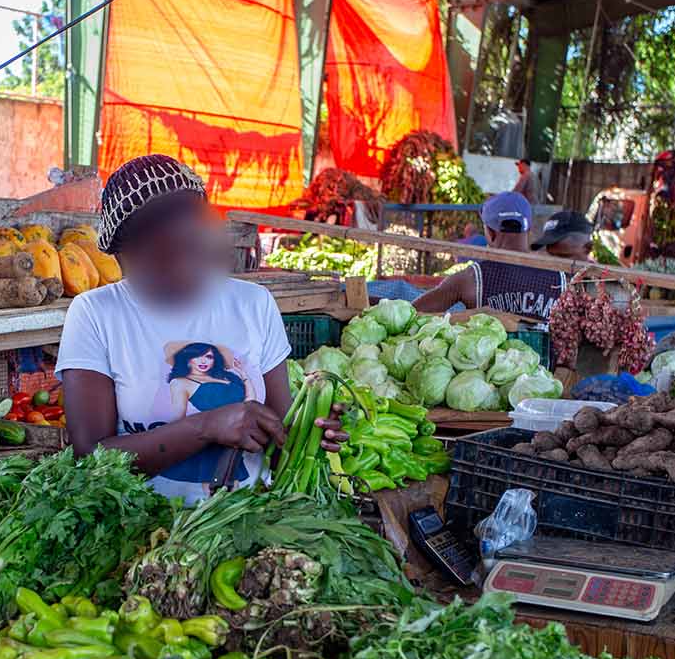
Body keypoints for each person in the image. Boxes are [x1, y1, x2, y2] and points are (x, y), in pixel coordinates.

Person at [56, 154, 344, 502]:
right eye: (160, 260)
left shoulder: (253, 304)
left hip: (242, 522)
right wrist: (205, 427)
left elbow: (280, 436)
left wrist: (314, 429)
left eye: (192, 249)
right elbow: (89, 456)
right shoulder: (95, 314)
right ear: (121, 258)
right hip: (140, 530)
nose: (181, 271)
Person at [412, 191, 567, 319]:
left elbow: (413, 313)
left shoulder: (472, 278)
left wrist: (457, 319)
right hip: (547, 357)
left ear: (491, 233)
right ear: (528, 229)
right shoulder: (560, 277)